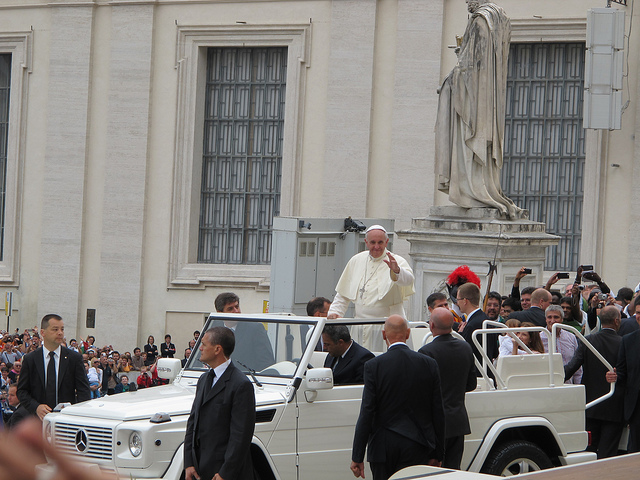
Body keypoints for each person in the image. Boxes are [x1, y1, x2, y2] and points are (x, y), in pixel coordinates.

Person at [435, 0, 522, 219]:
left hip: (474, 107)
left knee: (468, 143)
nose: (465, 2)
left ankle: (471, 191)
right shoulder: (499, 18)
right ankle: (480, 188)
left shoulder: (479, 20)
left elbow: (468, 70)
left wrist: (449, 82)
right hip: (488, 103)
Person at [351, 315, 444, 480]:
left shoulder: (374, 366)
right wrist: (438, 453)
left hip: (383, 446)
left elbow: (367, 411)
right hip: (418, 443)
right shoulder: (428, 364)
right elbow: (437, 410)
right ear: (408, 333)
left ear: (383, 334)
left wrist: (357, 456)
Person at [184, 327, 255, 480]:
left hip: (225, 473)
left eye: (203, 344)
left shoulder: (241, 385)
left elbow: (241, 436)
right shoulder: (203, 380)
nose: (200, 348)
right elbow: (192, 424)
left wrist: (226, 473)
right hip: (200, 470)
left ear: (217, 349)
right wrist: (188, 462)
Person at [327, 225, 414, 350]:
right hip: (359, 326)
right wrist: (335, 312)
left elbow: (408, 280)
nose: (377, 247)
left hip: (387, 327)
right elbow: (343, 293)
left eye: (380, 242)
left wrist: (397, 271)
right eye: (373, 242)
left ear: (387, 242)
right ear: (366, 242)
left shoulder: (396, 260)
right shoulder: (356, 260)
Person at [418, 308, 476, 469]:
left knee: (432, 472)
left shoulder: (426, 352)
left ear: (431, 325)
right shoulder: (465, 348)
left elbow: (421, 391)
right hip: (458, 422)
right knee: (453, 470)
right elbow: (471, 384)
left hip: (434, 425)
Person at [565, 306, 623, 458]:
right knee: (608, 453)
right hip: (615, 407)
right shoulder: (623, 343)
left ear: (600, 320)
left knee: (588, 452)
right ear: (617, 321)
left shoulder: (588, 341)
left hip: (591, 404)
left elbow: (570, 368)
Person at [17, 314, 90, 420]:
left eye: (62, 329)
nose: (60, 333)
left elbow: (84, 391)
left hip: (66, 421)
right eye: (55, 329)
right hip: (38, 421)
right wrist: (36, 407)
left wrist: (76, 413)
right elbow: (22, 391)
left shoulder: (74, 358)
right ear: (43, 332)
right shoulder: (30, 359)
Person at [213, 292, 274, 371]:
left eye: (237, 307)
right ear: (219, 313)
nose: (236, 311)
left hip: (247, 379)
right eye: (230, 309)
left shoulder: (255, 329)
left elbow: (266, 363)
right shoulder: (214, 328)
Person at [541, 305, 582, 384]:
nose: (552, 321)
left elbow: (578, 368)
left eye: (556, 317)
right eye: (549, 317)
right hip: (546, 385)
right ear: (546, 319)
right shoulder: (539, 338)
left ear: (562, 319)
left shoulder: (571, 337)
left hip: (568, 385)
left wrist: (578, 386)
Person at [458, 283, 498, 363]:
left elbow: (463, 354)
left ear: (465, 301)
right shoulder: (487, 320)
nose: (457, 303)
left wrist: (460, 335)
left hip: (477, 373)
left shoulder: (472, 325)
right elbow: (495, 352)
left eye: (458, 299)